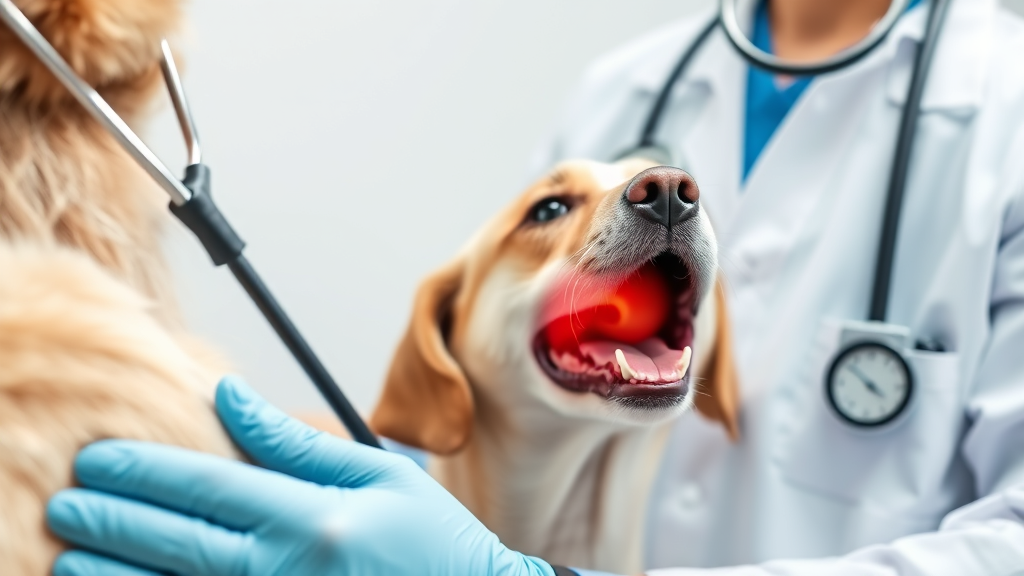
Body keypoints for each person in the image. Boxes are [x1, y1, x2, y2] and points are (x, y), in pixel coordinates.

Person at [46, 0, 1024, 574]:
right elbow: (516, 358)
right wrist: (333, 463)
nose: (663, 199)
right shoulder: (627, 87)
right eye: (551, 211)